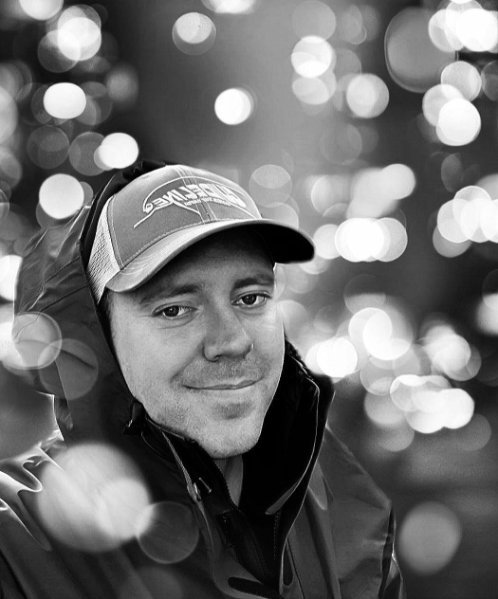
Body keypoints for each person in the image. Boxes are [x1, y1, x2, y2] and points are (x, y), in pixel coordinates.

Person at [0, 160, 405, 598]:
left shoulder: (347, 519)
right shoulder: (16, 545)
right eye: (175, 309)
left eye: (250, 298)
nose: (232, 341)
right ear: (97, 337)